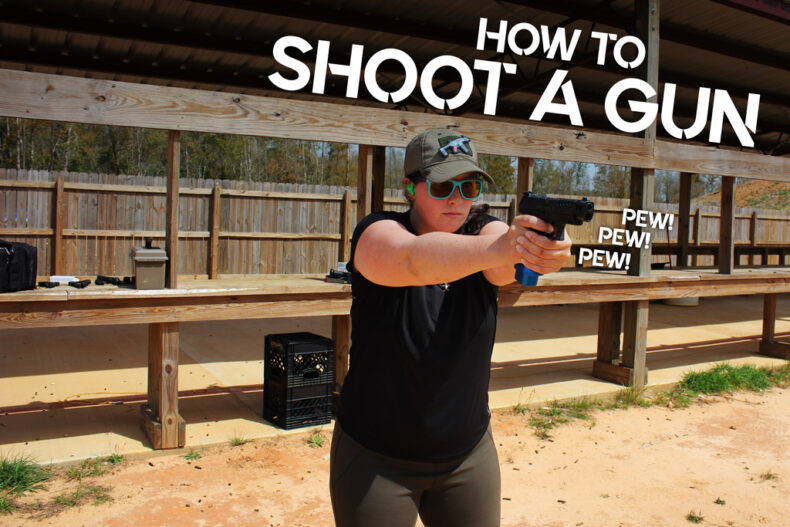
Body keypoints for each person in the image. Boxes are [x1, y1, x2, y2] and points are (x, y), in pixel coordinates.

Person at [330, 129, 572, 527]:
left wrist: (536, 248)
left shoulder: (488, 232)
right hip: (376, 458)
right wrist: (508, 247)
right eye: (443, 185)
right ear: (410, 187)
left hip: (468, 454)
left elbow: (501, 265)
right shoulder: (377, 232)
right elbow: (412, 261)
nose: (458, 198)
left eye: (469, 184)